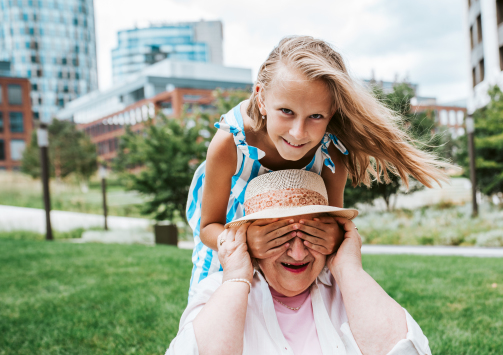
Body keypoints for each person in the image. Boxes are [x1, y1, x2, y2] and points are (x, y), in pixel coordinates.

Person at [185, 36, 446, 299]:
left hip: (295, 245)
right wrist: (244, 243)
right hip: (230, 231)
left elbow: (335, 220)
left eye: (316, 116)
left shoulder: (331, 150)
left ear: (331, 112)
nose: (298, 133)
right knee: (212, 305)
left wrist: (333, 235)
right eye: (286, 111)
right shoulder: (230, 142)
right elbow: (209, 226)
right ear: (261, 99)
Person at [153, 170, 434, 355]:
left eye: (312, 234)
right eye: (279, 236)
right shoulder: (219, 291)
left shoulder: (348, 291)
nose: (298, 253)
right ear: (252, 241)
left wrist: (350, 267)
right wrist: (237, 276)